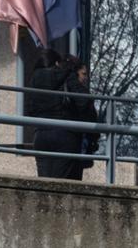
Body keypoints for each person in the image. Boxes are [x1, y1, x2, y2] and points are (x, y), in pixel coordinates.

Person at [26, 48, 94, 180]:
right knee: (62, 185)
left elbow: (30, 109)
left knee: (44, 184)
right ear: (57, 63)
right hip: (65, 135)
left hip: (41, 135)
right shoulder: (68, 76)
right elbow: (84, 101)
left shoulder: (35, 78)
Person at [58, 54, 100, 175]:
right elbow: (86, 108)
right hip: (75, 139)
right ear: (75, 73)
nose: (86, 78)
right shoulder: (75, 88)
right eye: (84, 74)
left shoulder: (61, 85)